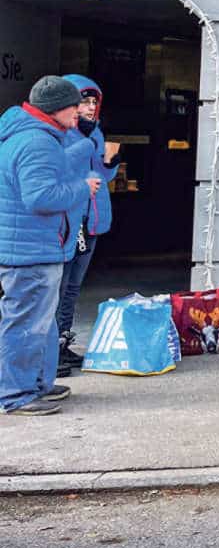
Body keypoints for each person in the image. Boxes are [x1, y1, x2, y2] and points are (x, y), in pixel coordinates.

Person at [1, 76, 98, 416]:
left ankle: (38, 385)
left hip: (33, 247)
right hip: (29, 251)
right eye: (75, 107)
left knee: (40, 324)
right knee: (26, 324)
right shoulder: (36, 142)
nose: (80, 114)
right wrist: (83, 188)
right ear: (59, 108)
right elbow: (40, 197)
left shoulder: (35, 136)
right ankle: (16, 395)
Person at [55, 76, 119, 376]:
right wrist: (88, 140)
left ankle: (61, 343)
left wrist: (111, 159)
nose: (91, 107)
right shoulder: (59, 133)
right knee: (60, 286)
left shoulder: (93, 132)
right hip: (70, 218)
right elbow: (62, 168)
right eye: (84, 101)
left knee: (73, 287)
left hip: (91, 217)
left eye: (94, 102)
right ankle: (50, 350)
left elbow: (101, 175)